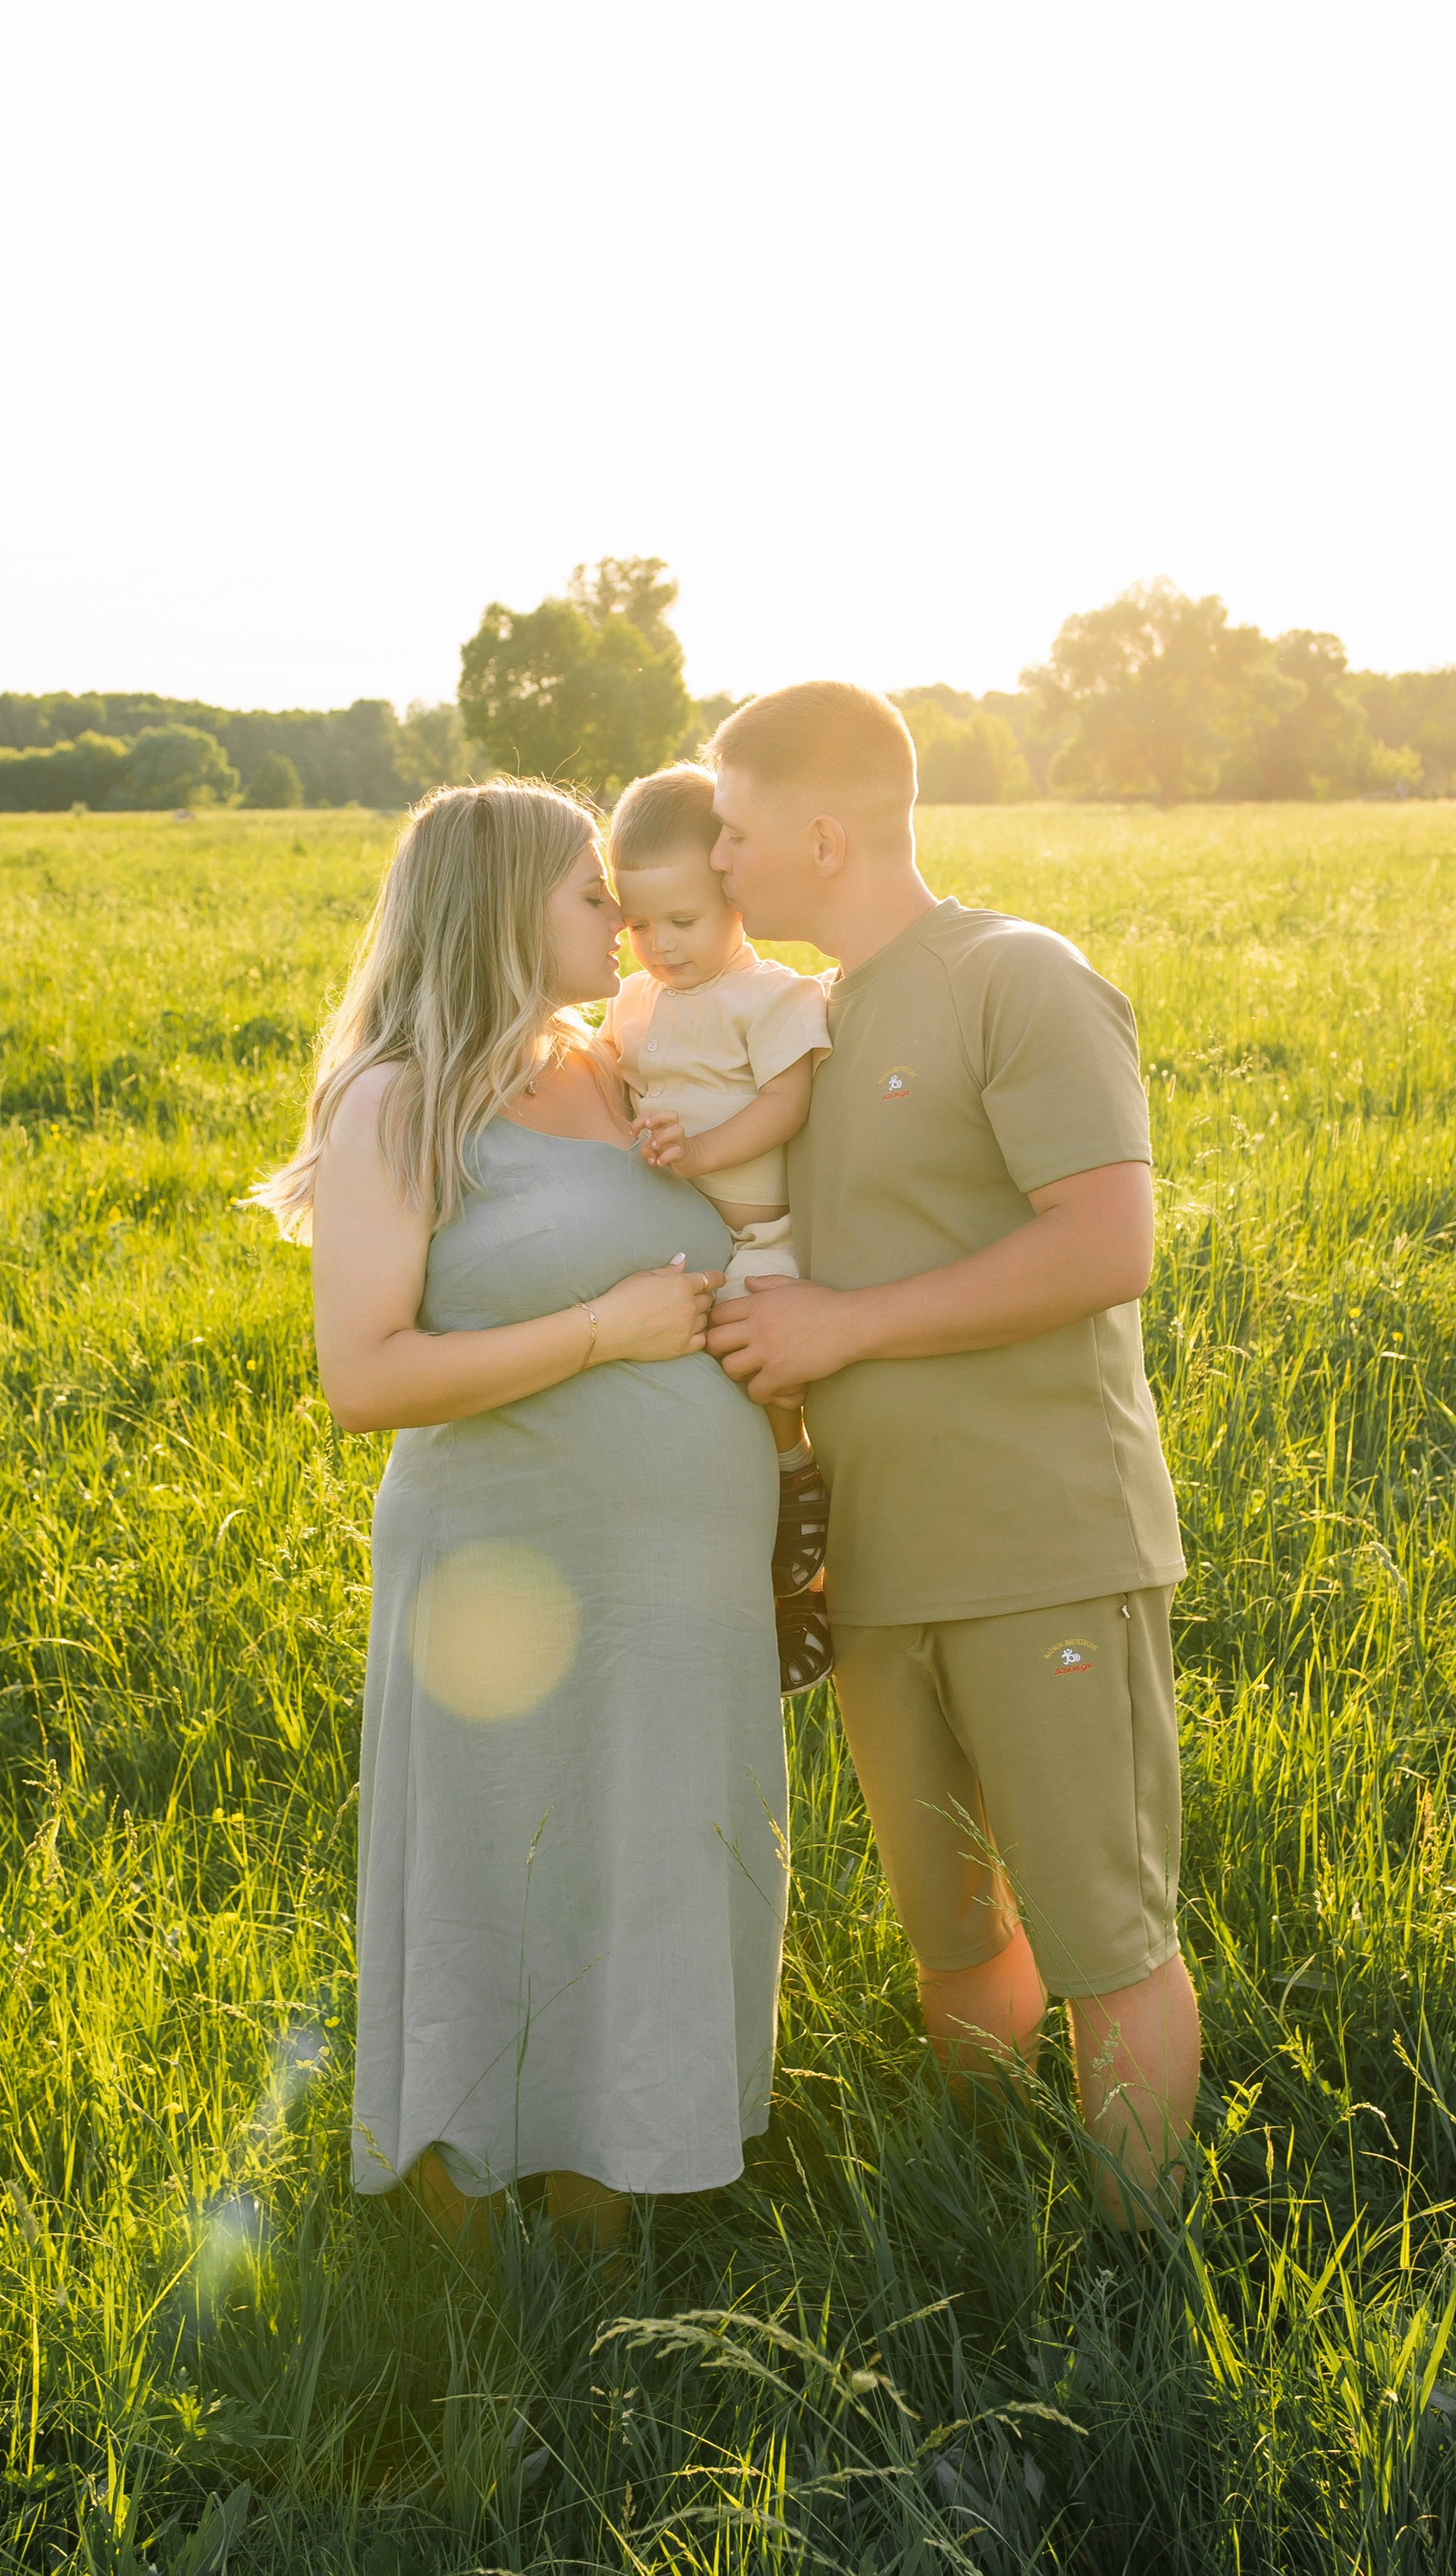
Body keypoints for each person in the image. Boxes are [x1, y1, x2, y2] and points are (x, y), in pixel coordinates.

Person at [250, 780, 786, 2258]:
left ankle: (608, 2209)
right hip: (505, 1572)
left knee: (649, 1854)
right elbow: (366, 1375)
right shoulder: (401, 1096)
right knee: (506, 1860)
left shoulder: (621, 1067)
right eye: (586, 890)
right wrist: (608, 1330)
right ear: (498, 909)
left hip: (684, 1577)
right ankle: (464, 2249)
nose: (618, 914)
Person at [702, 684, 1197, 2223]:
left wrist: (840, 1329)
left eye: (733, 828)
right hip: (876, 1563)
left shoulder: (1017, 978)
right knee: (957, 1931)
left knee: (1105, 1931)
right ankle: (989, 2223)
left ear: (824, 832)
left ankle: (1135, 2280)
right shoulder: (803, 1027)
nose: (716, 860)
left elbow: (1108, 1244)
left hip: (1044, 1544)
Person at [600, 761, 836, 1693]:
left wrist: (699, 1152)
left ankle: (795, 1480)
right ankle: (741, 1577)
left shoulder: (770, 997)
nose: (659, 943)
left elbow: (784, 1104)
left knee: (760, 1350)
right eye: (638, 924)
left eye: (683, 920)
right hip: (683, 1234)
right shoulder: (634, 1003)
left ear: (733, 894)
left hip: (764, 1233)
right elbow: (627, 1089)